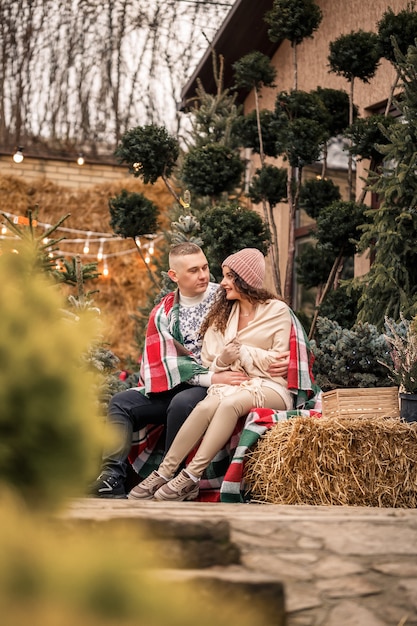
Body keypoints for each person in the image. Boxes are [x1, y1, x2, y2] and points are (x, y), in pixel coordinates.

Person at [89, 243, 289, 498]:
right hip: (178, 381)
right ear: (174, 276)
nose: (204, 275)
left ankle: (174, 479)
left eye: (205, 268)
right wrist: (212, 374)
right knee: (121, 402)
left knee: (183, 403)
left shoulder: (224, 298)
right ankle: (111, 477)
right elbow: (164, 359)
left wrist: (287, 360)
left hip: (214, 385)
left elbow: (266, 327)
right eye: (194, 270)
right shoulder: (165, 311)